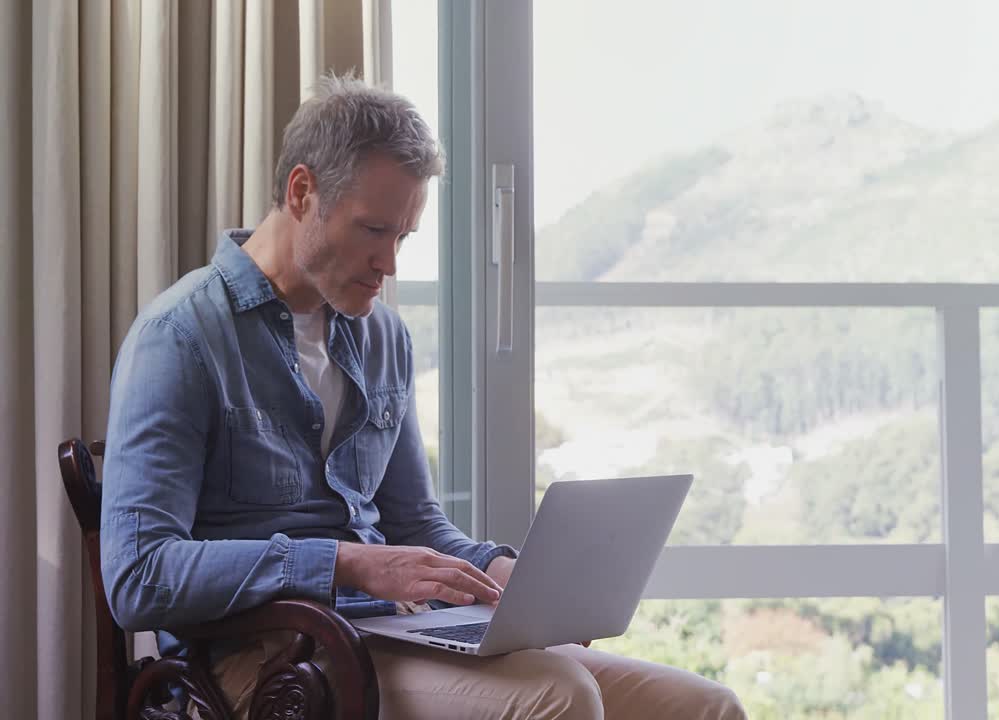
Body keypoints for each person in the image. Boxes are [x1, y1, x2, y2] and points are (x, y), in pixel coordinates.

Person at [99, 74, 746, 720]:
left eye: (403, 237)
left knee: (703, 704)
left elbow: (414, 525)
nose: (390, 264)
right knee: (561, 696)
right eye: (373, 230)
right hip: (264, 661)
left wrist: (496, 570)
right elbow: (139, 576)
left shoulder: (381, 336)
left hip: (386, 632)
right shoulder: (179, 339)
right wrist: (347, 563)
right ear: (302, 193)